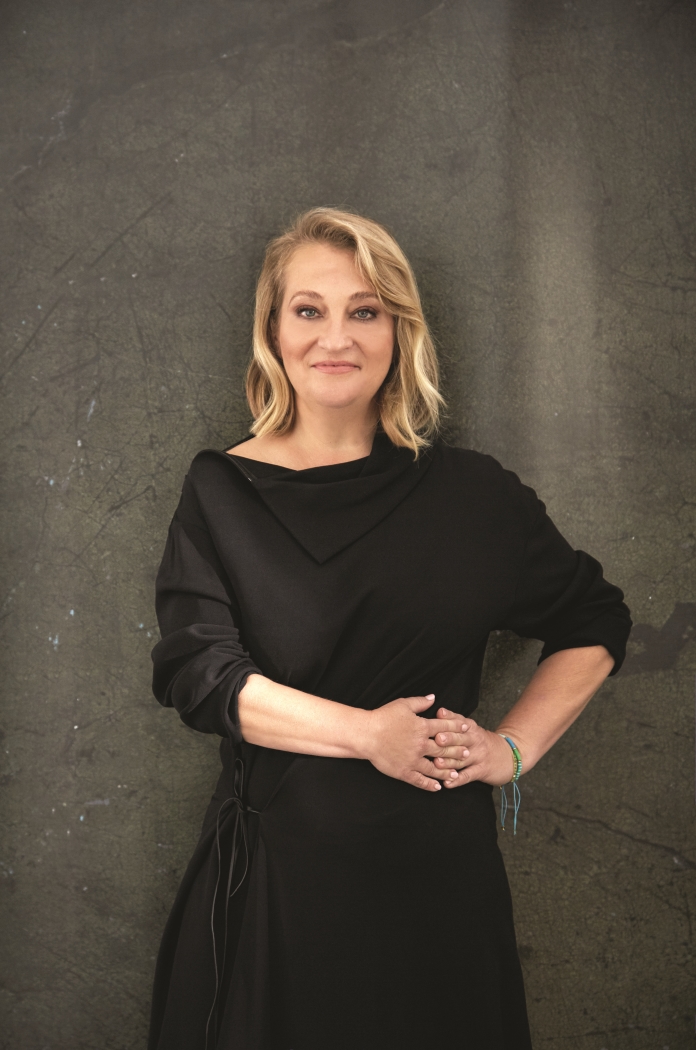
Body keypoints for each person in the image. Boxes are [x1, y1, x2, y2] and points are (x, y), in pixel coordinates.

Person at [148, 207, 631, 1050]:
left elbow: (596, 618)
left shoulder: (475, 495)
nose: (336, 337)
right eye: (309, 309)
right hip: (280, 893)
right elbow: (199, 675)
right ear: (274, 330)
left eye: (365, 311)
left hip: (440, 893)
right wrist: (369, 735)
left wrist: (512, 749)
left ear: (399, 331)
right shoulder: (222, 490)